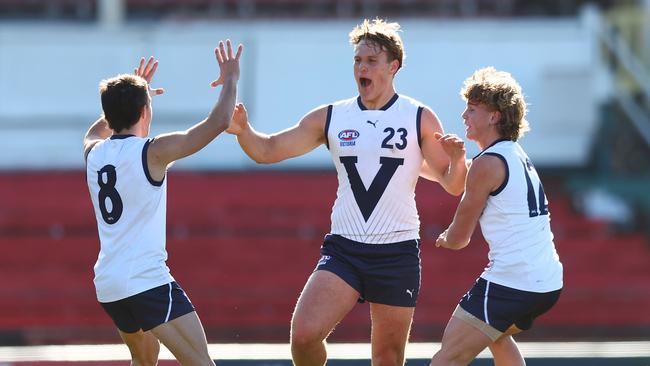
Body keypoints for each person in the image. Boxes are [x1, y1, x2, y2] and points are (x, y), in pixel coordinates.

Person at [226, 19, 467, 366]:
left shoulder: (418, 117)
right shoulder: (332, 116)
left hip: (396, 252)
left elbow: (453, 183)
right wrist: (244, 131)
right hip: (345, 249)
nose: (361, 67)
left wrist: (458, 161)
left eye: (371, 60)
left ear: (393, 66)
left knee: (386, 358)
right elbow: (268, 150)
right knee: (305, 336)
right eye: (357, 60)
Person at [83, 39, 242, 365]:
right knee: (201, 362)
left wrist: (131, 93)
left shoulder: (94, 153)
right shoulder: (151, 152)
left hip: (110, 286)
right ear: (145, 111)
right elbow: (218, 123)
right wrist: (231, 80)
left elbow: (95, 131)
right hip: (145, 281)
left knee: (145, 361)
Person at [431, 67, 563, 366]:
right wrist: (455, 158)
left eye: (473, 109)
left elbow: (459, 238)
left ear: (495, 116)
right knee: (497, 336)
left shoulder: (486, 164)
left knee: (447, 359)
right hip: (547, 282)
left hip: (513, 282)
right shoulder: (515, 154)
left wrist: (444, 239)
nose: (465, 115)